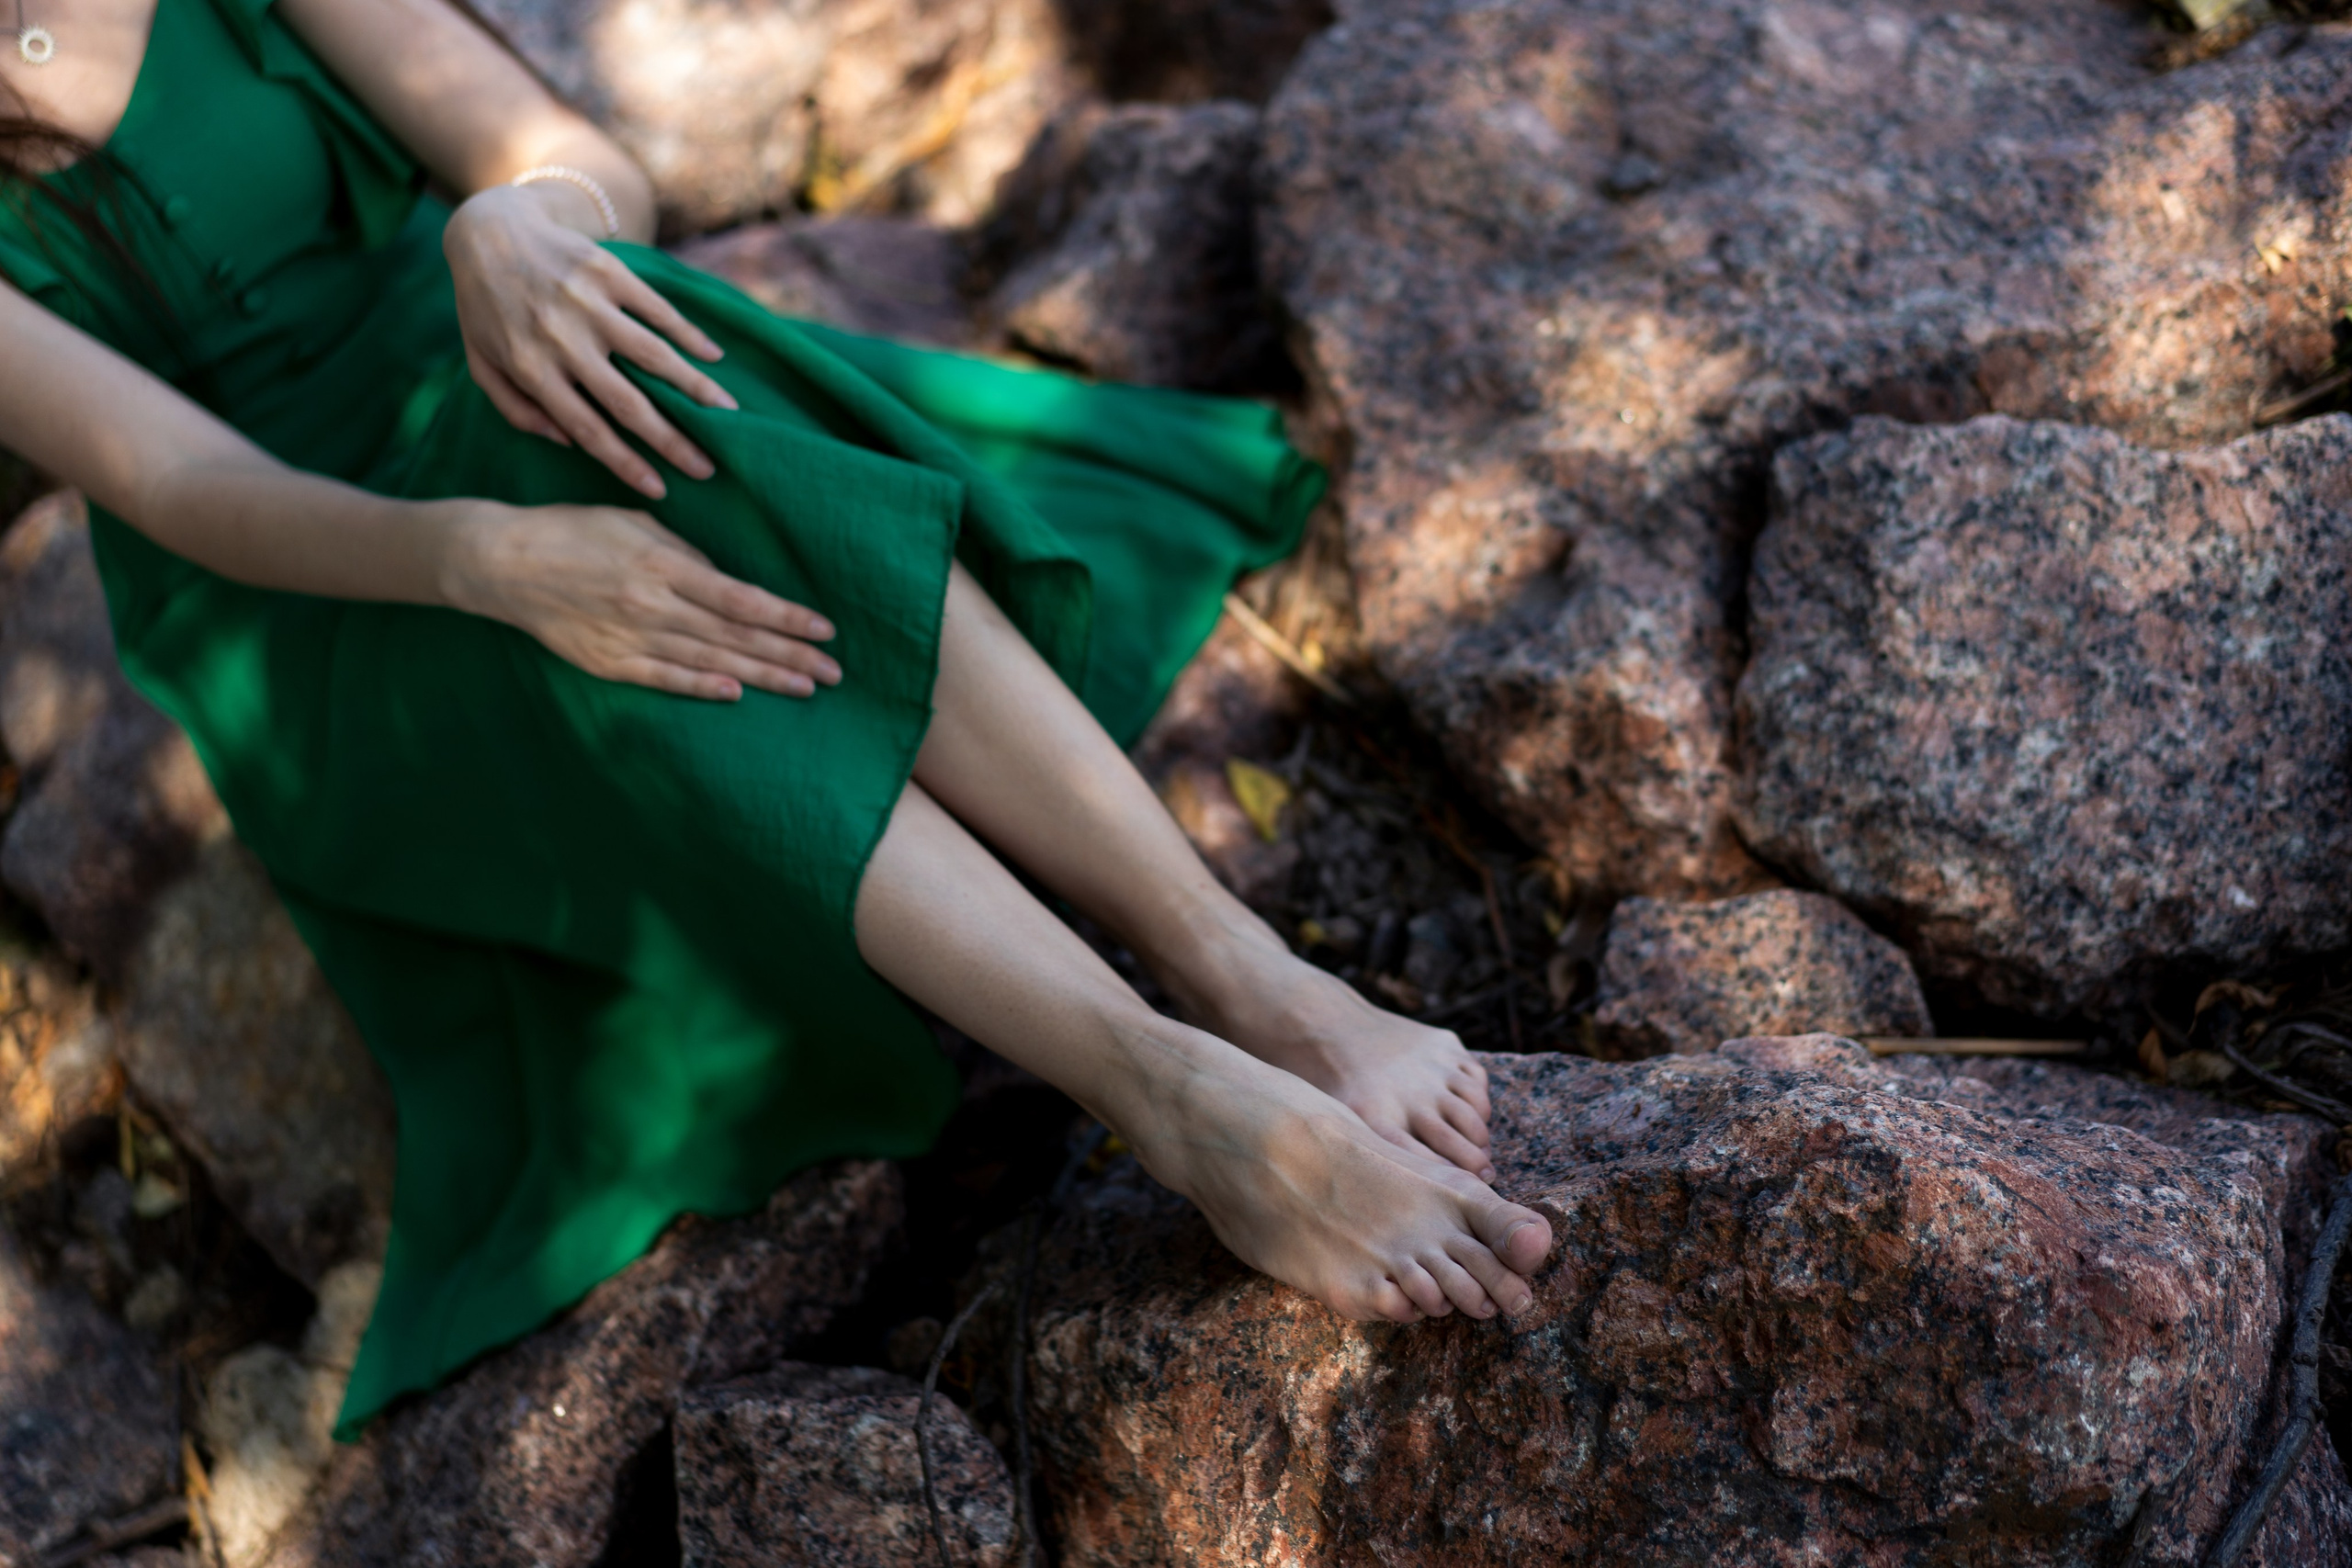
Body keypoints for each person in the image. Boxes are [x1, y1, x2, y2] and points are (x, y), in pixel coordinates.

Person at [0, 0, 1553, 1435]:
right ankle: (1166, 1088)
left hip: (527, 375)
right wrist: (486, 560)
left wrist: (519, 219)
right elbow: (189, 491)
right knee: (601, 604)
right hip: (338, 593)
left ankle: (1248, 973)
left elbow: (579, 163)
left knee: (638, 365)